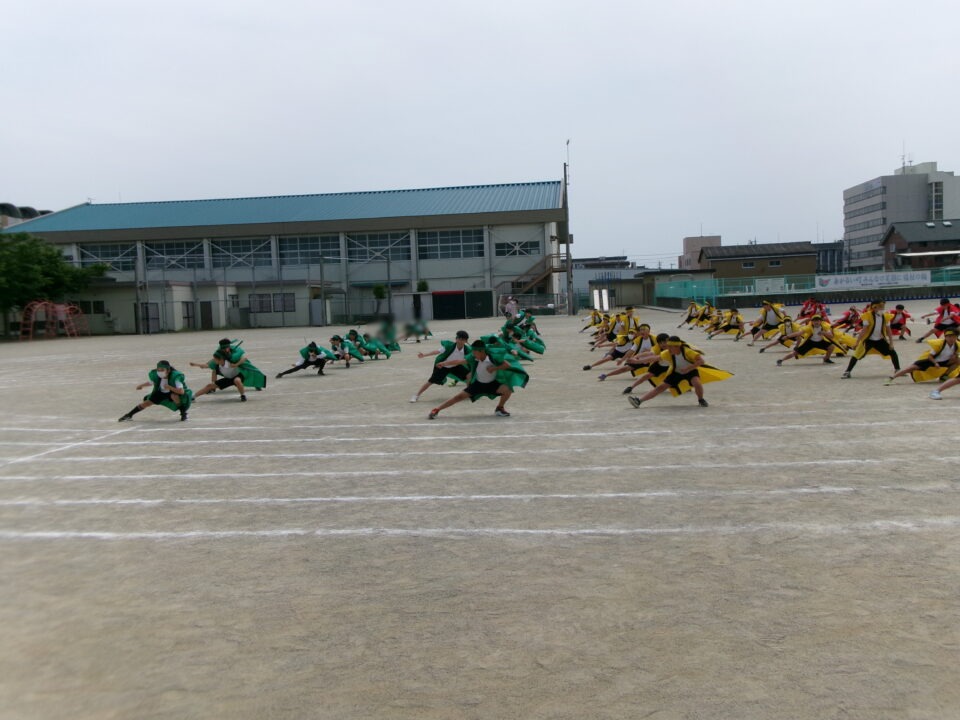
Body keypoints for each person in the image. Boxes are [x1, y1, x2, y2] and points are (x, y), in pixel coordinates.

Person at [428, 339, 528, 419]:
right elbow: (460, 361)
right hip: (478, 384)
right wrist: (444, 363)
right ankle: (437, 410)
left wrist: (494, 368)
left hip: (492, 384)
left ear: (482, 351)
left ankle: (499, 408)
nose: (473, 353)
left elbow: (507, 364)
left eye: (475, 352)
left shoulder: (492, 357)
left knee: (508, 389)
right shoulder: (474, 357)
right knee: (458, 397)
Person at [627, 336, 732, 409]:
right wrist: (637, 361)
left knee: (697, 383)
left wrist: (688, 368)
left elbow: (701, 361)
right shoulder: (668, 353)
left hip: (690, 371)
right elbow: (654, 358)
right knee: (660, 387)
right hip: (676, 372)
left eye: (670, 346)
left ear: (676, 346)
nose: (667, 348)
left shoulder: (688, 351)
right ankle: (639, 401)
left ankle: (701, 399)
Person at [841, 299, 901, 379]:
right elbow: (864, 330)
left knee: (893, 353)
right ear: (874, 307)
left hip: (880, 340)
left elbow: (888, 330)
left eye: (883, 307)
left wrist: (891, 343)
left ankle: (897, 370)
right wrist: (857, 342)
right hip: (868, 340)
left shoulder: (886, 316)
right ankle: (847, 371)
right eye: (880, 307)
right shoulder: (867, 316)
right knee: (856, 355)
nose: (882, 309)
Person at [118, 360, 191, 422]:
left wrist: (169, 387)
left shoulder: (175, 377)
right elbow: (151, 382)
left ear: (168, 370)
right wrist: (141, 385)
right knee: (146, 403)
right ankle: (129, 415)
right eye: (158, 370)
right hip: (161, 393)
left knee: (174, 396)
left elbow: (181, 391)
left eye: (162, 370)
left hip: (173, 392)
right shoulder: (156, 375)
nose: (159, 372)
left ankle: (183, 414)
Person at [410, 330, 472, 403]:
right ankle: (416, 395)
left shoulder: (467, 350)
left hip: (455, 366)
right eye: (459, 339)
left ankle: (468, 393)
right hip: (442, 366)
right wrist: (424, 355)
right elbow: (437, 351)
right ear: (456, 339)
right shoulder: (449, 346)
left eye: (462, 339)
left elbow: (472, 358)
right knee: (431, 381)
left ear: (466, 341)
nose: (460, 341)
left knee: (469, 375)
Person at [886, 329, 959, 386]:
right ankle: (892, 378)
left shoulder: (957, 345)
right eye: (949, 337)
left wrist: (955, 355)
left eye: (954, 337)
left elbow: (956, 353)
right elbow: (930, 356)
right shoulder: (939, 344)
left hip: (943, 361)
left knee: (958, 361)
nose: (951, 339)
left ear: (956, 337)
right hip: (930, 361)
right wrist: (935, 363)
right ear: (945, 337)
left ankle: (944, 376)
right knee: (910, 368)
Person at [774, 315, 840, 366]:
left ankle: (826, 359)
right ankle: (781, 360)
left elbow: (831, 336)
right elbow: (798, 333)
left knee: (831, 347)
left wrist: (823, 332)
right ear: (812, 322)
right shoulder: (808, 327)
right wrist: (787, 336)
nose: (816, 322)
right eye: (814, 321)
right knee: (795, 353)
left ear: (821, 321)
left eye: (818, 320)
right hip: (810, 342)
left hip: (820, 342)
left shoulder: (825, 326)